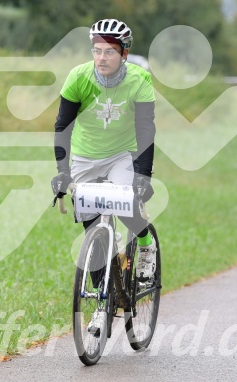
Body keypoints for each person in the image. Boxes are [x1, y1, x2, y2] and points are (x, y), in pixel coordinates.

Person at [51, 19, 157, 334]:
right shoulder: (78, 78)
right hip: (85, 156)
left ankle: (146, 244)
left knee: (126, 203)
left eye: (109, 51)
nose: (102, 58)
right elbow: (62, 126)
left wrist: (143, 176)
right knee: (93, 233)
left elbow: (146, 130)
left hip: (122, 155)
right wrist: (62, 172)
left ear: (124, 53)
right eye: (97, 51)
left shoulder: (139, 80)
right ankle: (102, 304)